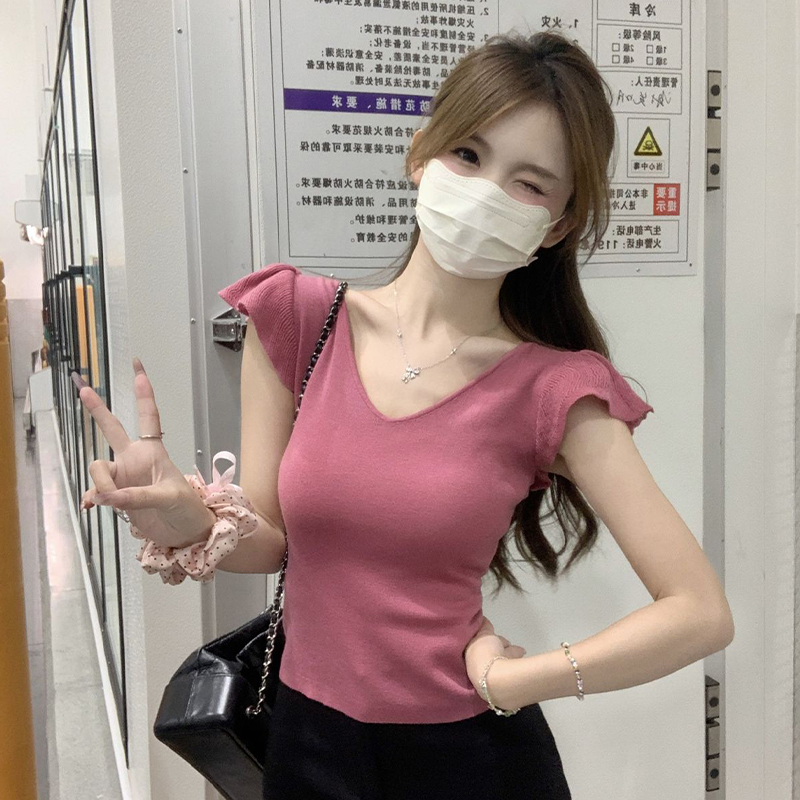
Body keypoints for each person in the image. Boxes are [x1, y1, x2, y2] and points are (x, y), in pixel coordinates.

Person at [73, 29, 734, 800]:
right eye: (468, 155)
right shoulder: (295, 317)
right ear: (421, 155)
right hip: (307, 742)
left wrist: (520, 679)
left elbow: (699, 613)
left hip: (471, 759)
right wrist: (188, 519)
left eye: (529, 183)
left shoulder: (554, 388)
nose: (485, 191)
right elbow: (274, 544)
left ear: (556, 225)